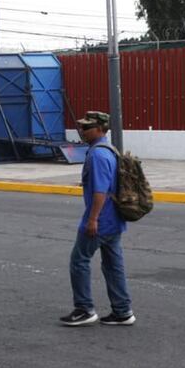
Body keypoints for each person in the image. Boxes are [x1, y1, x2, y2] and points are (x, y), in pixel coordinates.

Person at [59, 111, 135, 327]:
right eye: (82, 127)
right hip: (114, 220)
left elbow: (100, 191)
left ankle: (84, 309)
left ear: (101, 129)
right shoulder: (106, 150)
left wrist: (92, 220)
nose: (82, 131)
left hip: (101, 220)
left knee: (79, 260)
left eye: (87, 127)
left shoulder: (98, 155)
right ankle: (122, 311)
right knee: (113, 264)